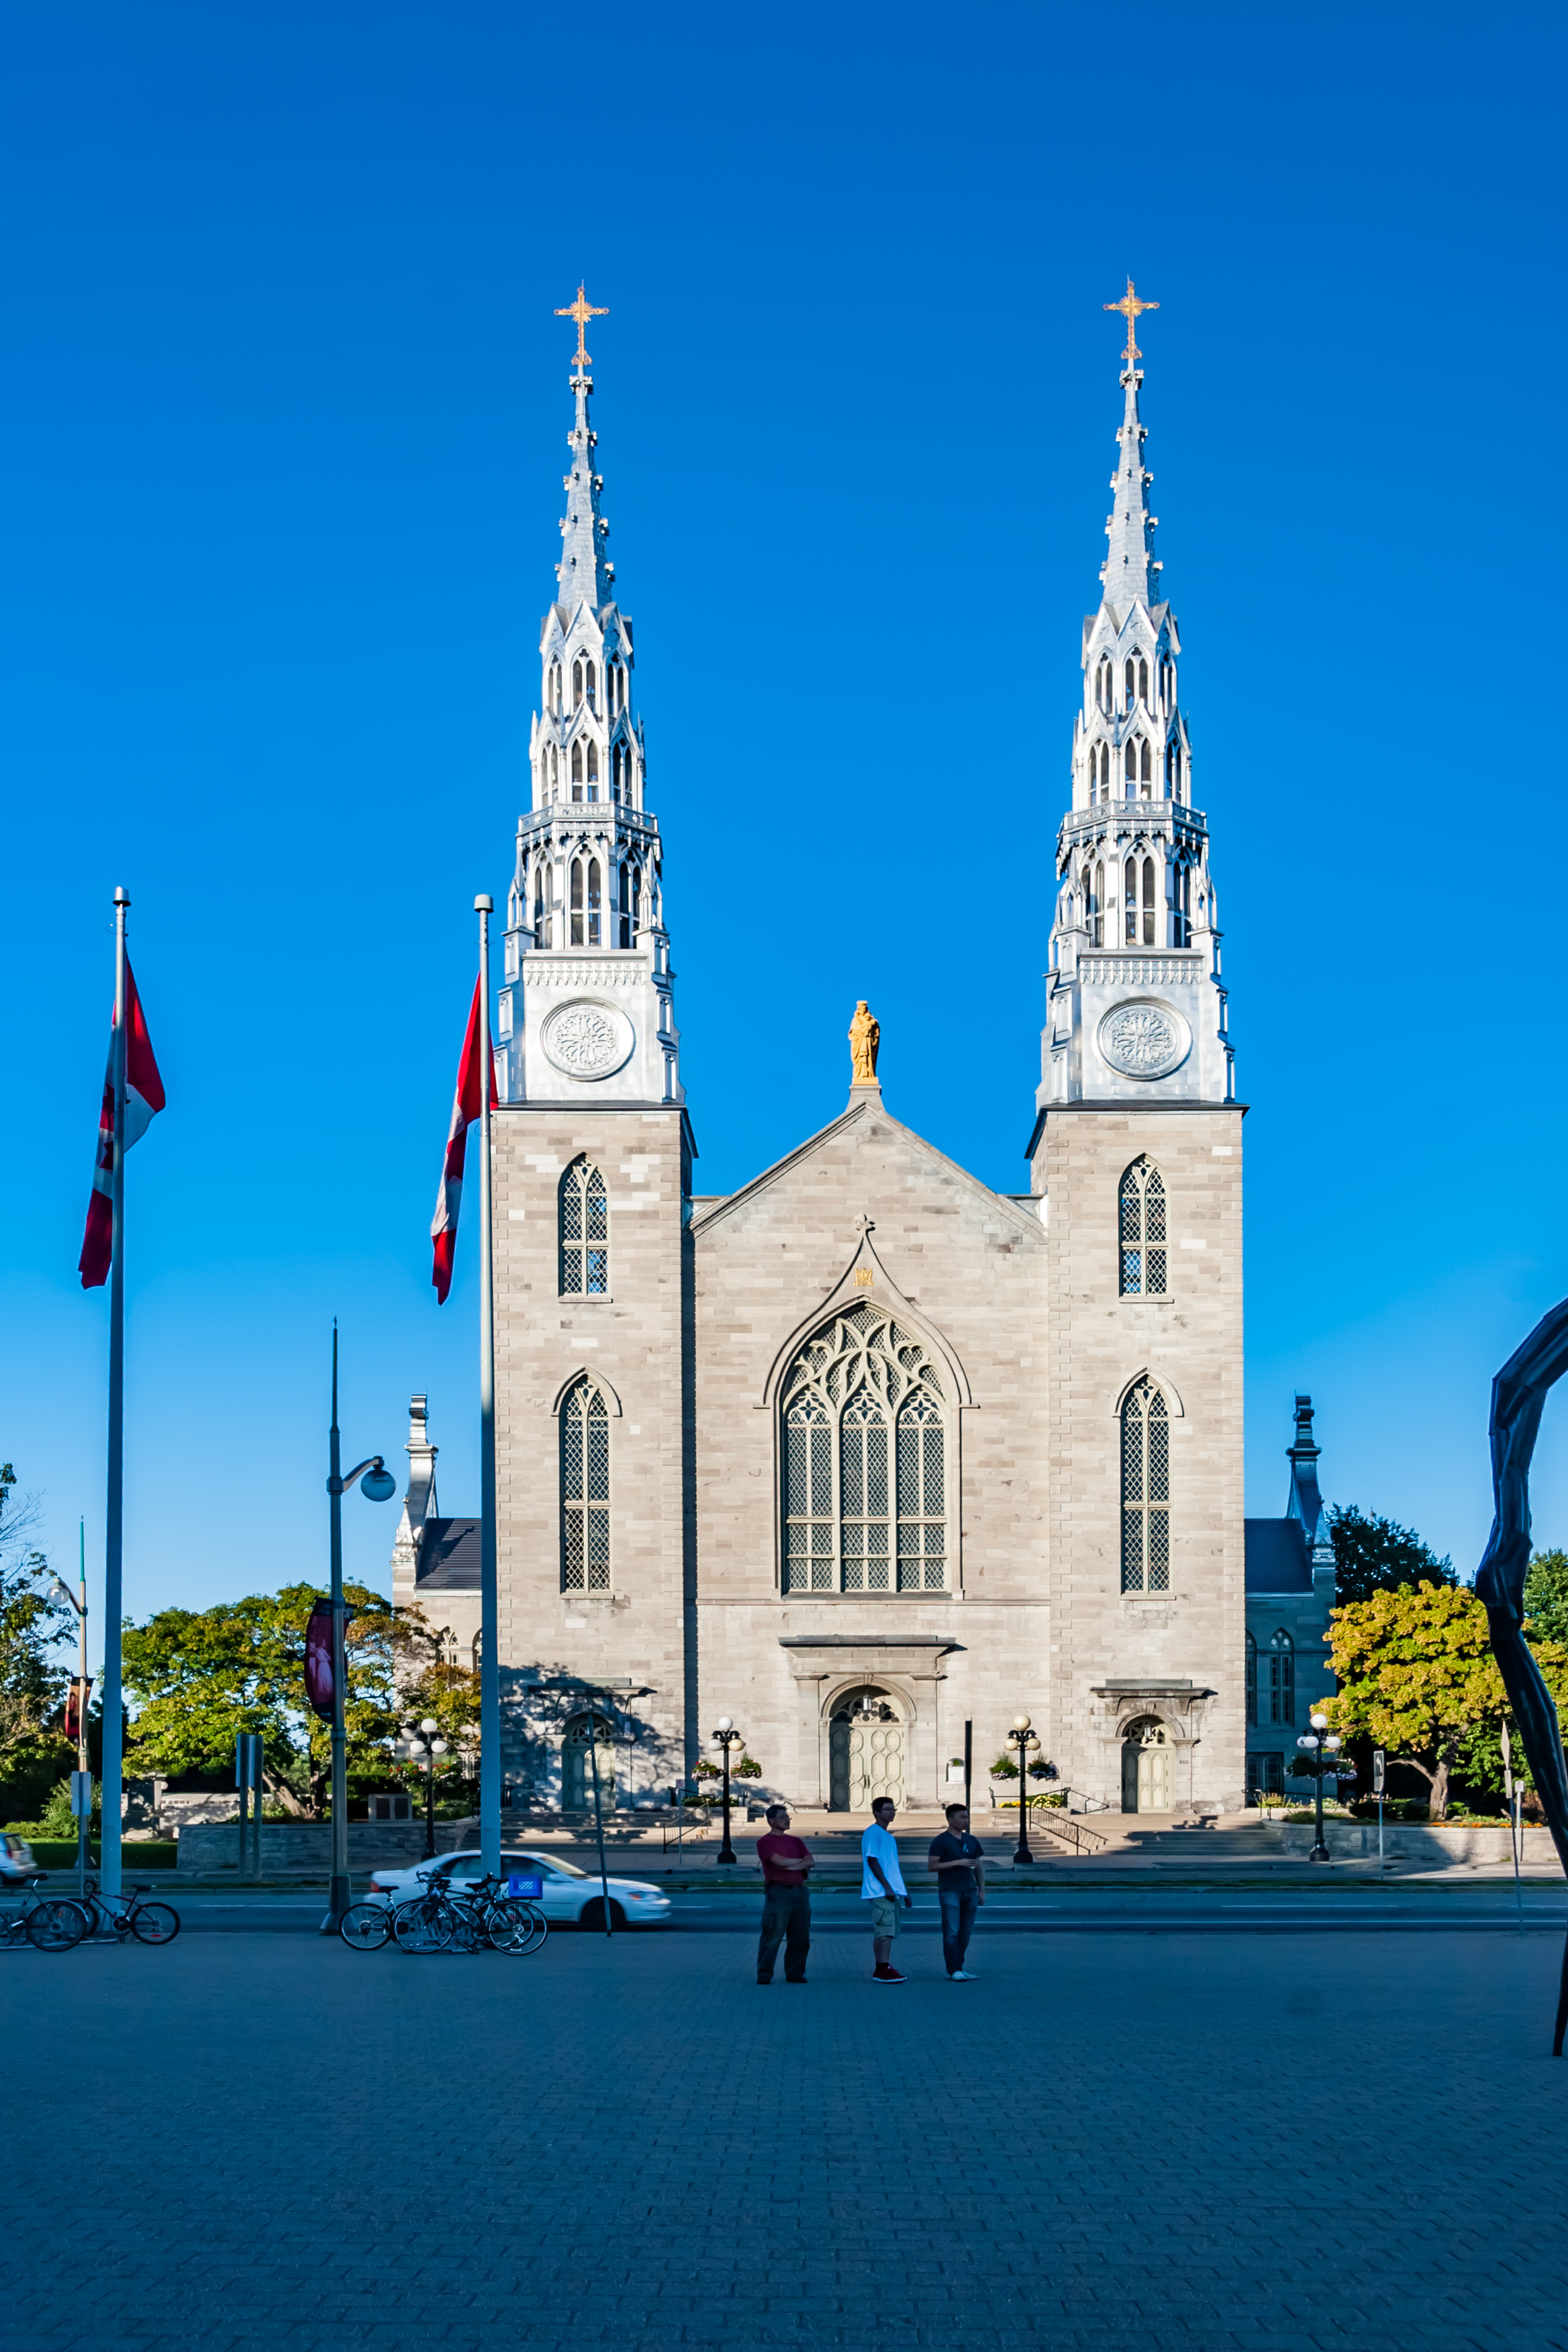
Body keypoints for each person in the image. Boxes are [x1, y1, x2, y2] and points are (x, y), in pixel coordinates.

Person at [754, 1803, 814, 1983]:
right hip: (779, 1893)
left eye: (788, 1817)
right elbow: (778, 1862)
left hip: (800, 1893)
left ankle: (795, 1974)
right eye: (783, 1817)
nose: (787, 1820)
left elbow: (810, 1861)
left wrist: (791, 1865)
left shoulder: (796, 1841)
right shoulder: (765, 1842)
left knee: (800, 1937)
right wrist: (798, 1864)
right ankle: (765, 1974)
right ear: (772, 1820)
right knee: (772, 1935)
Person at [928, 1802, 986, 1979]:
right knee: (952, 1932)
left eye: (967, 1816)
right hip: (950, 1891)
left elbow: (978, 1866)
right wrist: (956, 1863)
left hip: (969, 1890)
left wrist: (981, 1890)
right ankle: (954, 1969)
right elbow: (932, 1866)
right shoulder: (940, 1841)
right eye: (962, 1817)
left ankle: (958, 1967)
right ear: (951, 1819)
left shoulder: (971, 1840)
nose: (966, 1820)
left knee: (965, 1933)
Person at [861, 1796, 911, 1981]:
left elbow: (892, 1867)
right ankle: (882, 1968)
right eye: (888, 1809)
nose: (892, 1813)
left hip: (891, 1891)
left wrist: (903, 1891)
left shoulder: (888, 1836)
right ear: (877, 1812)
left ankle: (882, 1965)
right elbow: (872, 1860)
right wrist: (887, 1888)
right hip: (881, 1891)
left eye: (893, 1809)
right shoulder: (873, 1832)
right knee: (885, 1931)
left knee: (886, 1931)